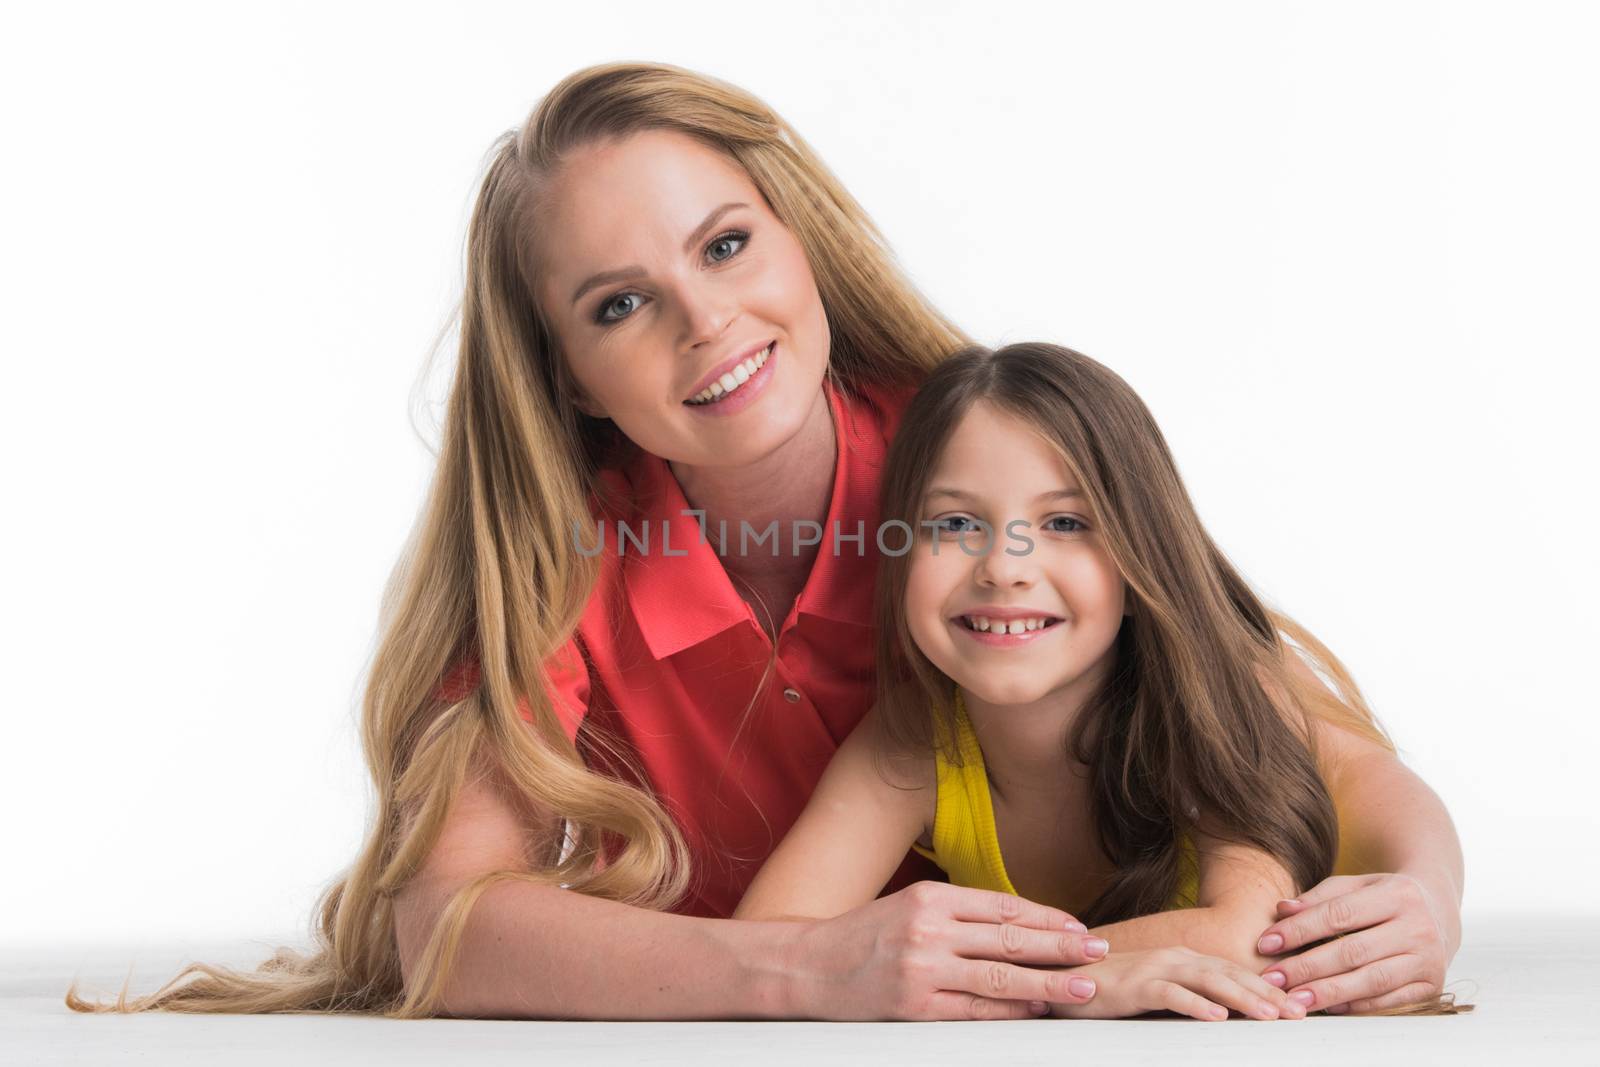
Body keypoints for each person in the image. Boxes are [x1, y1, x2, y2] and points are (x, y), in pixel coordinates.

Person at [65, 62, 1463, 1022]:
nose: (705, 323)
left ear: (800, 238)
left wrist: (1423, 902)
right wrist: (807, 973)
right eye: (619, 304)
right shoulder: (557, 568)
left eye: (725, 246)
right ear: (563, 372)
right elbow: (441, 923)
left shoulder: (983, 473)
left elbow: (1284, 729)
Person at [735, 341, 1466, 1019]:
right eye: (955, 523)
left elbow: (1251, 935)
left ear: (1138, 550)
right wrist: (1086, 982)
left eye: (1064, 523)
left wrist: (1432, 896)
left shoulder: (1211, 695)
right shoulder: (911, 740)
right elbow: (766, 949)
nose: (1004, 566)